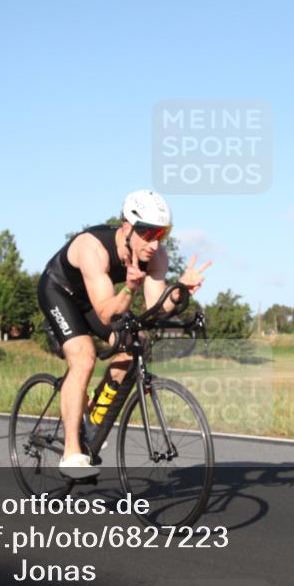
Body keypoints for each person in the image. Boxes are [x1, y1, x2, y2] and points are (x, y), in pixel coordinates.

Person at [37, 190, 211, 478]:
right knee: (83, 358)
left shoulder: (155, 255)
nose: (155, 243)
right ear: (128, 228)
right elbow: (106, 312)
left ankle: (92, 416)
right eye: (149, 233)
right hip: (60, 293)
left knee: (136, 343)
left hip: (98, 300)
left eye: (162, 234)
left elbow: (157, 306)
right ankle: (71, 453)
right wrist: (129, 289)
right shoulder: (93, 248)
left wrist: (179, 291)